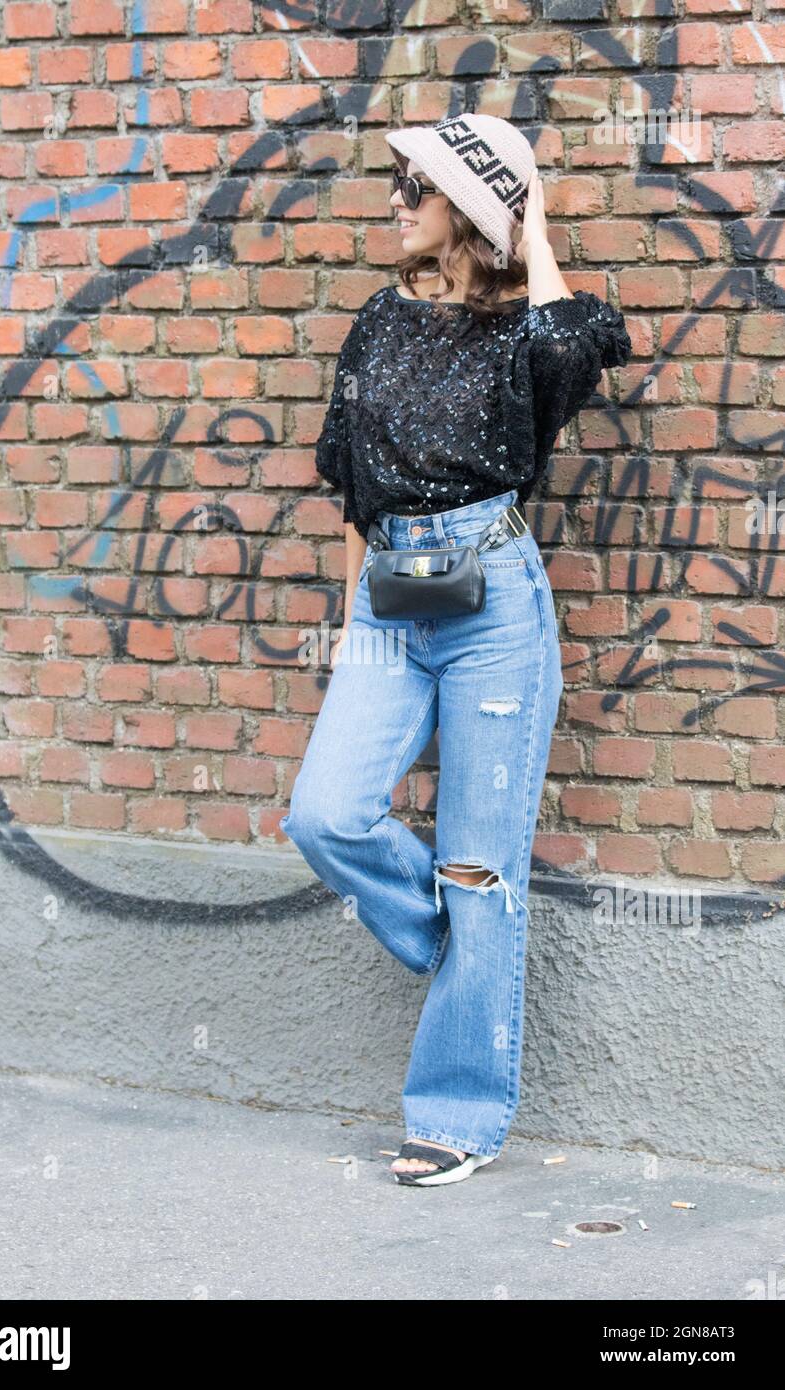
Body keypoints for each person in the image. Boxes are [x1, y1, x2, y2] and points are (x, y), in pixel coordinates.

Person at [279, 114, 632, 1187]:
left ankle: (455, 1114)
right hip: (390, 602)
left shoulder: (525, 335)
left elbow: (582, 338)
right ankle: (455, 941)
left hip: (493, 613)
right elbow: (348, 478)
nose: (392, 201)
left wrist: (526, 232)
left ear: (469, 214)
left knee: (483, 867)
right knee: (325, 813)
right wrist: (350, 623)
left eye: (414, 187)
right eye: (396, 183)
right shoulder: (378, 323)